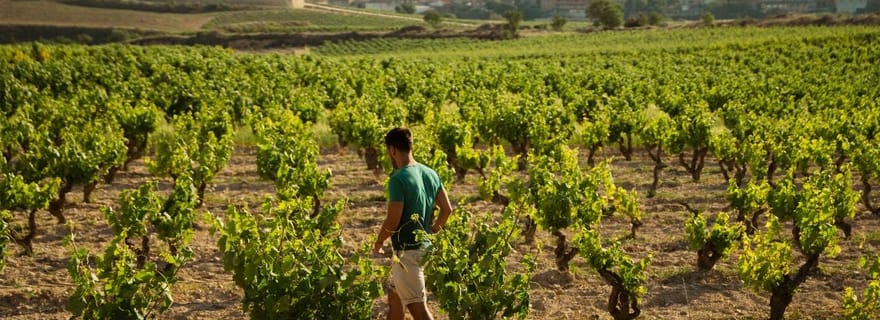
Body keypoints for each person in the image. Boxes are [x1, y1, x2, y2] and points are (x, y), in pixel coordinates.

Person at [373, 127, 453, 320]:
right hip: (424, 248)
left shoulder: (398, 179)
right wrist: (432, 230)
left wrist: (379, 241)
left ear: (392, 150)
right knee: (395, 298)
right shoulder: (430, 173)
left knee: (419, 310)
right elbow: (447, 210)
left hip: (407, 252)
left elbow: (393, 220)